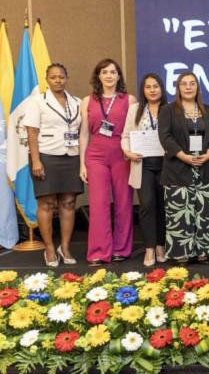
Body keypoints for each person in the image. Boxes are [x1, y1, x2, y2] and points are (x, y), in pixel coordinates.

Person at [22, 63, 83, 267]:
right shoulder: (37, 102)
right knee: (46, 203)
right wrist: (36, 160)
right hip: (46, 156)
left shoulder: (77, 102)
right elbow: (31, 132)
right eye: (53, 77)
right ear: (46, 79)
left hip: (71, 156)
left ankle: (64, 247)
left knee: (68, 203)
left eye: (61, 77)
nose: (58, 80)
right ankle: (49, 248)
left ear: (67, 78)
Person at [159, 71, 209, 264]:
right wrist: (184, 157)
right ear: (178, 87)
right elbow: (165, 137)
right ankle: (181, 252)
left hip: (205, 167)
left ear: (197, 87)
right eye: (184, 83)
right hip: (178, 168)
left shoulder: (208, 110)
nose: (188, 87)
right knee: (180, 213)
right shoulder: (168, 110)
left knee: (204, 213)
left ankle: (204, 251)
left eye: (192, 83)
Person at [79, 58, 135, 266]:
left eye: (113, 72)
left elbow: (134, 131)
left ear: (119, 76)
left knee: (123, 202)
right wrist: (82, 163)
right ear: (98, 76)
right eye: (105, 72)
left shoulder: (129, 100)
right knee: (98, 203)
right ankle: (99, 251)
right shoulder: (87, 101)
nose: (109, 75)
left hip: (121, 154)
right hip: (96, 156)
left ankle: (121, 249)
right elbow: (84, 134)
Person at [121, 73, 167, 266]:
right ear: (143, 90)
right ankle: (149, 249)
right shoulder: (135, 109)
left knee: (164, 207)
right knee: (147, 205)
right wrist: (127, 152)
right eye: (148, 87)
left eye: (155, 86)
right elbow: (125, 136)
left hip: (167, 166)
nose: (152, 90)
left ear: (161, 88)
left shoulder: (170, 109)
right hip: (143, 165)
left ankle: (160, 246)